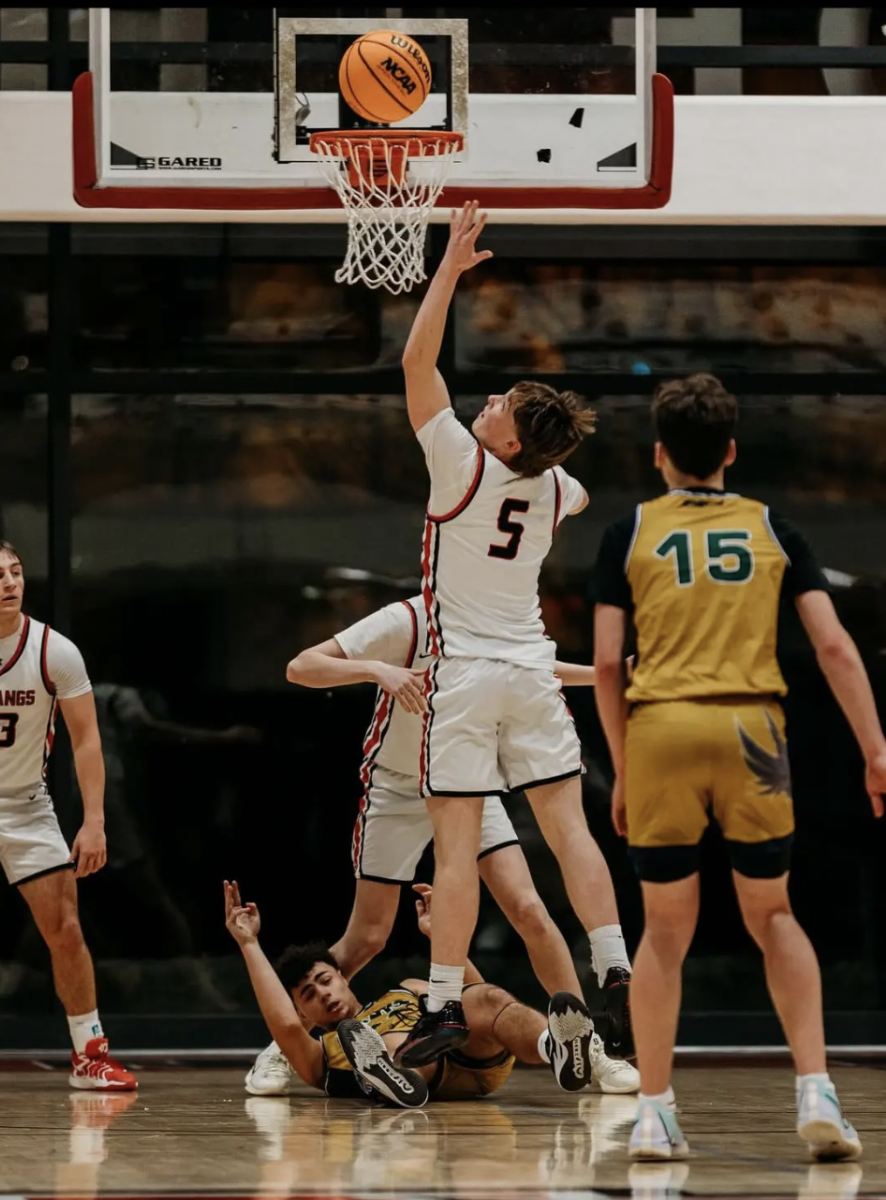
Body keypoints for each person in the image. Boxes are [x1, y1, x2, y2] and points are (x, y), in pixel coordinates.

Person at [591, 374, 886, 1161]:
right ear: (728, 451)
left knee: (662, 932)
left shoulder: (627, 533)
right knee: (774, 915)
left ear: (659, 455)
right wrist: (874, 746)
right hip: (751, 726)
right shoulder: (773, 528)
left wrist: (621, 765)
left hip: (660, 729)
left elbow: (607, 664)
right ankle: (816, 1090)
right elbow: (831, 646)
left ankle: (654, 1112)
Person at [397, 199, 632, 1068]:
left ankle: (443, 1004)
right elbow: (560, 469)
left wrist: (450, 268)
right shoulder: (553, 491)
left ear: (500, 438)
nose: (486, 399)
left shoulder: (460, 464)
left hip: (463, 675)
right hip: (532, 675)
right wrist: (540, 435)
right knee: (569, 832)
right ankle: (613, 965)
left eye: (499, 402)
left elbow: (417, 357)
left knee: (455, 850)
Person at [245, 594, 639, 1096]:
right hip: (399, 785)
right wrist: (377, 671)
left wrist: (607, 673)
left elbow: (538, 669)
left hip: (464, 780)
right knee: (368, 936)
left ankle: (589, 1048)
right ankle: (284, 1046)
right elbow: (301, 666)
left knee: (528, 908)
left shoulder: (497, 612)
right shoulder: (407, 617)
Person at [0, 539, 136, 1091]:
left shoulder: (55, 650)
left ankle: (90, 1056)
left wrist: (94, 821)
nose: (11, 582)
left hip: (25, 802)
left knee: (65, 930)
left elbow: (86, 741)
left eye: (16, 572)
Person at [226, 879, 603, 1108]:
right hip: (420, 1066)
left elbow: (472, 994)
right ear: (301, 1010)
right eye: (308, 995)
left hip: (470, 1058)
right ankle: (395, 1076)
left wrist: (441, 936)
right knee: (383, 1039)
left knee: (484, 998)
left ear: (343, 977)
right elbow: (287, 1028)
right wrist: (248, 944)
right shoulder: (317, 1054)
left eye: (325, 980)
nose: (322, 994)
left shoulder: (404, 988)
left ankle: (553, 1048)